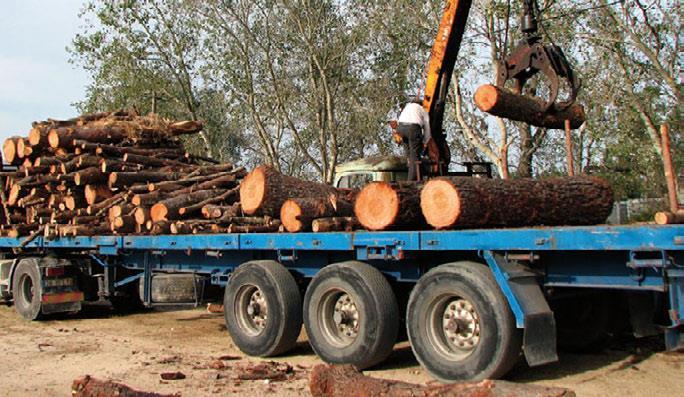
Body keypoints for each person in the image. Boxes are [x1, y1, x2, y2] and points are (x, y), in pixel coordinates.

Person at [396, 98, 431, 180]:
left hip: (400, 128)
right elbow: (427, 130)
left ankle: (409, 173)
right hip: (412, 129)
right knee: (415, 155)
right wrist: (425, 142)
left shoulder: (407, 107)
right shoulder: (423, 110)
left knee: (409, 154)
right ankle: (412, 181)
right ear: (421, 104)